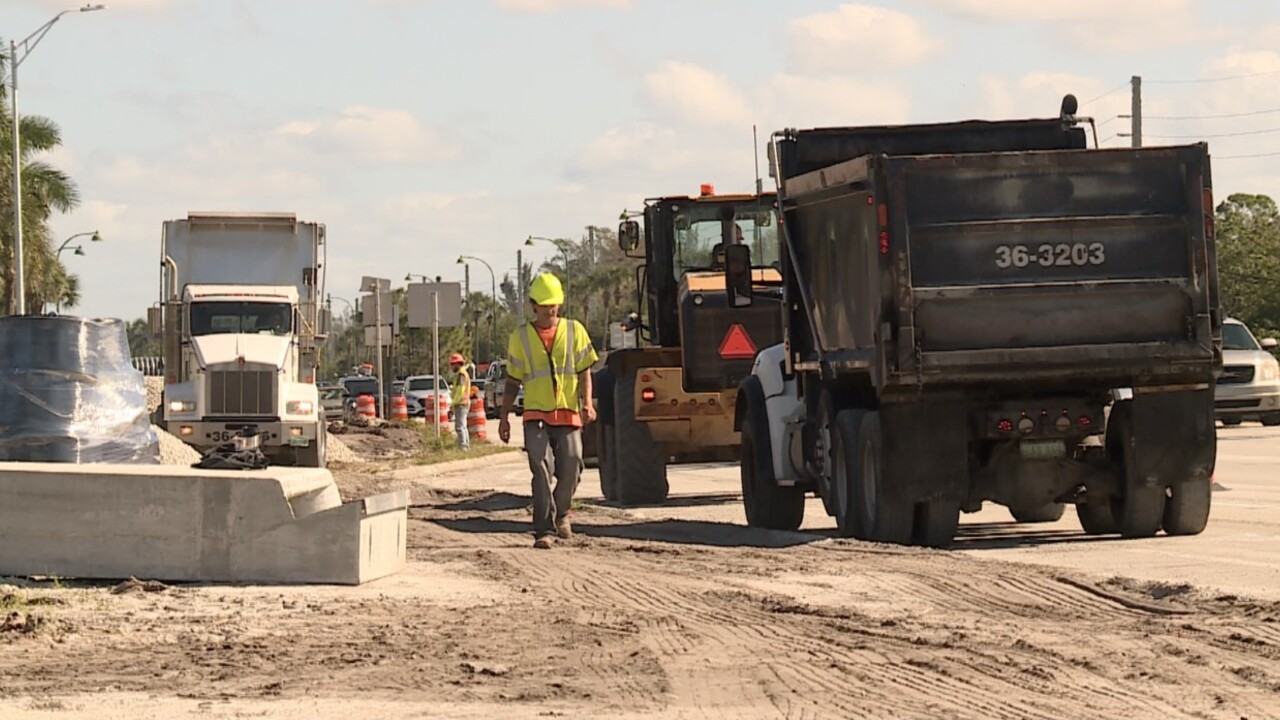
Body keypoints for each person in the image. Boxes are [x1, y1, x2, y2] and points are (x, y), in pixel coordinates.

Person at [498, 273, 598, 549]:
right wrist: (504, 417)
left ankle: (561, 513)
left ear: (559, 304)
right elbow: (512, 380)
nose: (549, 310)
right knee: (541, 468)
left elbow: (584, 371)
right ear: (533, 305)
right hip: (536, 413)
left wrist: (587, 402)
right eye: (543, 305)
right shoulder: (521, 337)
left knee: (573, 463)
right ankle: (544, 530)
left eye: (553, 304)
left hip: (567, 411)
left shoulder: (575, 330)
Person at [449, 352, 471, 450]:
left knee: (460, 426)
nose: (451, 367)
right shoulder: (462, 373)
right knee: (463, 426)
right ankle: (466, 445)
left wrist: (453, 402)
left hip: (461, 403)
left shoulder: (461, 374)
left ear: (457, 364)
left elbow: (460, 390)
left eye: (452, 364)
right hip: (464, 402)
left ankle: (463, 447)